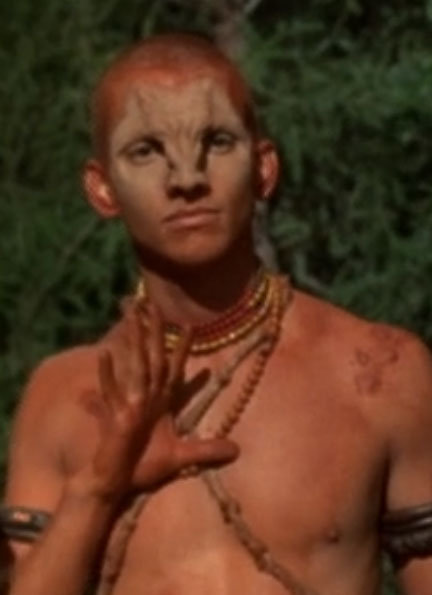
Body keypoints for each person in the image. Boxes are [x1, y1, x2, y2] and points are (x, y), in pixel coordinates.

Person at [2, 32, 432, 595]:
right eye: (146, 150)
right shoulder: (62, 398)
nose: (186, 180)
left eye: (217, 141)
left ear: (264, 168)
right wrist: (99, 487)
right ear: (102, 189)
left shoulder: (379, 374)